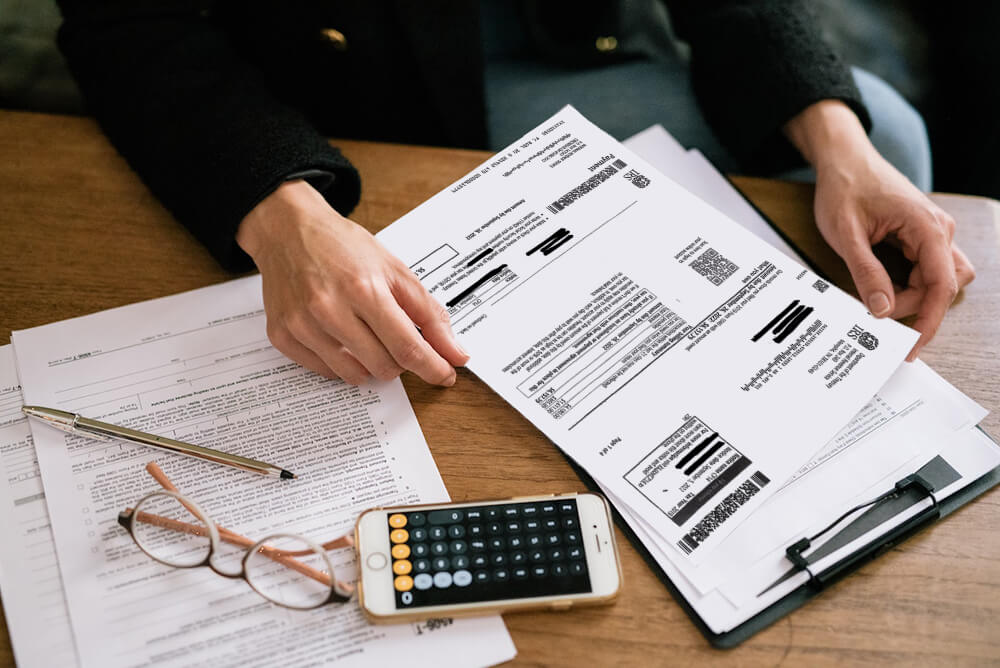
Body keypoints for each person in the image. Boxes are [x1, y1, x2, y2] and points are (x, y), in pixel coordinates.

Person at [55, 0, 974, 388]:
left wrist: (834, 134)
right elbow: (128, 28)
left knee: (882, 133)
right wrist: (279, 207)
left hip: (573, 45)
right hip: (343, 88)